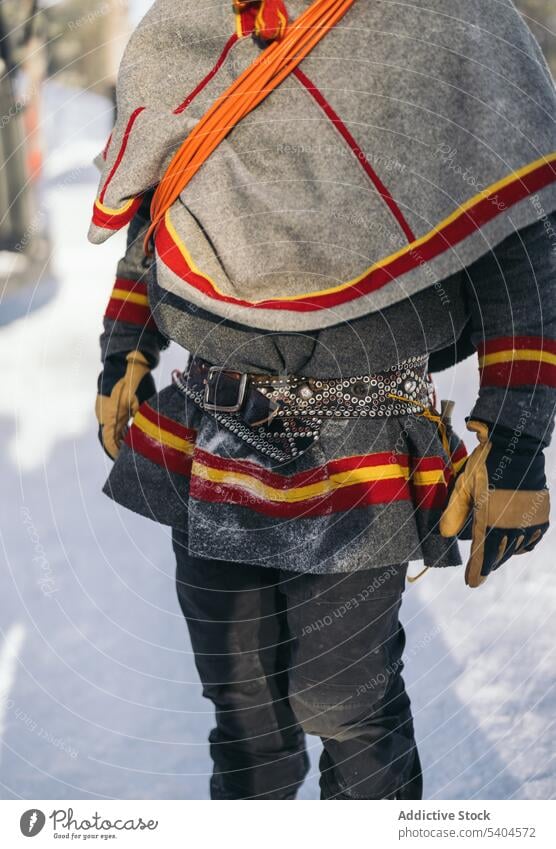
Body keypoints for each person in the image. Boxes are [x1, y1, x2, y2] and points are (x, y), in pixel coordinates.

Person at [91, 0, 556, 799]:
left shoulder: (450, 25)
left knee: (343, 701)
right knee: (245, 715)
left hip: (360, 441)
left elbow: (514, 242)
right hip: (212, 424)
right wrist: (125, 347)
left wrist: (515, 441)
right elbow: (165, 205)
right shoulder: (199, 25)